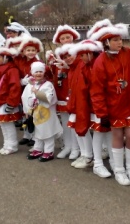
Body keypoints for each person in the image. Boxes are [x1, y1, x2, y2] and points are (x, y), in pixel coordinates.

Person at [90, 21, 130, 186]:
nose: (119, 42)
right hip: (113, 106)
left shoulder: (129, 54)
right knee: (118, 136)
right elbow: (96, 89)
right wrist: (102, 113)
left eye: (120, 39)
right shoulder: (100, 61)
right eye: (115, 40)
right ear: (106, 42)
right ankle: (119, 170)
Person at [69, 39, 114, 177]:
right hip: (94, 105)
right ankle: (98, 163)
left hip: (101, 104)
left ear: (90, 53)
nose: (81, 58)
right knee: (99, 132)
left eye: (83, 54)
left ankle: (112, 162)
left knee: (106, 134)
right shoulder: (85, 66)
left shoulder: (98, 64)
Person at [47, 24, 81, 159]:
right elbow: (53, 75)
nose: (66, 40)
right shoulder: (56, 55)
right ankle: (68, 146)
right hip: (61, 91)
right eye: (63, 38)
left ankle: (77, 148)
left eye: (68, 37)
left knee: (74, 122)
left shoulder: (78, 52)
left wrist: (67, 66)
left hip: (73, 91)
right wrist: (50, 66)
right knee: (65, 122)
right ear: (59, 41)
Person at [59, 43, 94, 169]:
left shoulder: (81, 65)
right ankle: (84, 154)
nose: (68, 58)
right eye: (65, 57)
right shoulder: (72, 69)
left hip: (82, 103)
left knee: (83, 129)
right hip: (75, 103)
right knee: (76, 129)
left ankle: (88, 156)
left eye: (70, 55)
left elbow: (84, 87)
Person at [22, 61, 63, 162]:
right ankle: (38, 148)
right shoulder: (30, 85)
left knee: (47, 132)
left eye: (40, 71)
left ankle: (49, 151)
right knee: (37, 132)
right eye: (36, 72)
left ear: (44, 72)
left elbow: (49, 98)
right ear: (32, 73)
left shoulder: (48, 84)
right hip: (35, 113)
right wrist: (27, 109)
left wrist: (37, 94)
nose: (38, 74)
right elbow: (25, 97)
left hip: (46, 113)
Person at [0, 46, 22, 154]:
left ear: (7, 57)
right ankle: (6, 144)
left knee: (8, 124)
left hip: (6, 101)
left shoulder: (12, 70)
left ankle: (12, 145)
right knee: (2, 124)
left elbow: (15, 87)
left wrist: (11, 102)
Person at [16, 35, 44, 146]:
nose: (30, 52)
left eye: (33, 50)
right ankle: (26, 135)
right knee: (25, 113)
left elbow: (41, 76)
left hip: (33, 90)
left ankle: (34, 136)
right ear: (23, 51)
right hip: (22, 89)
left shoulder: (38, 62)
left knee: (32, 113)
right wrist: (21, 81)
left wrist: (32, 82)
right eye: (28, 50)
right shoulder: (20, 61)